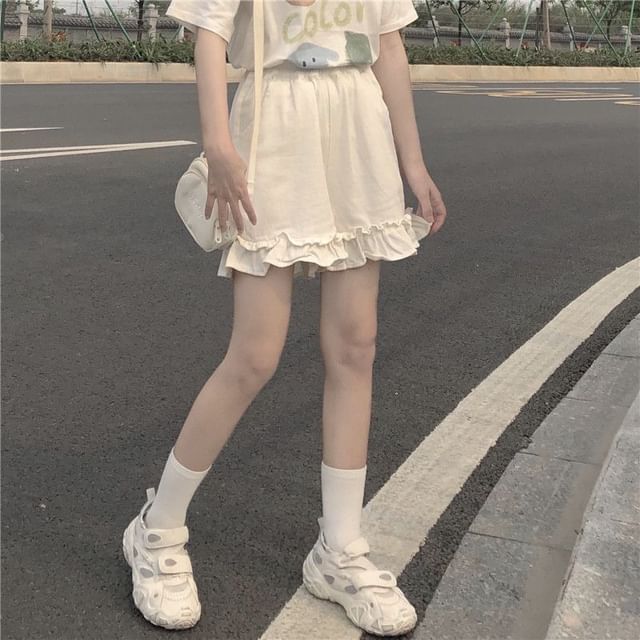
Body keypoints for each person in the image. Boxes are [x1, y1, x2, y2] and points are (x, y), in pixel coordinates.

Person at [122, 0, 447, 635]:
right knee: (254, 354)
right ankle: (156, 530)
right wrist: (218, 144)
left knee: (355, 346)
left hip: (359, 133)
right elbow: (210, 35)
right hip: (275, 131)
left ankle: (339, 551)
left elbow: (389, 45)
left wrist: (413, 163)